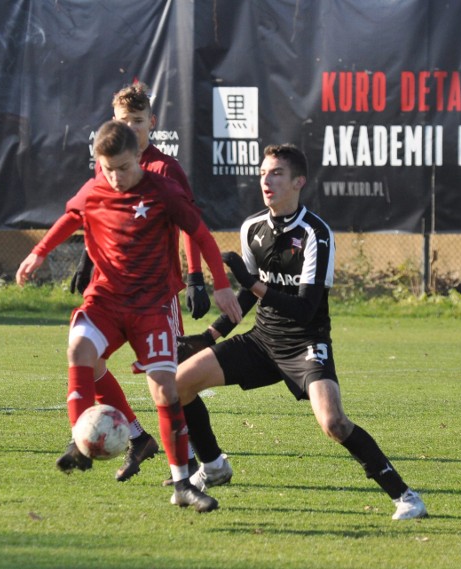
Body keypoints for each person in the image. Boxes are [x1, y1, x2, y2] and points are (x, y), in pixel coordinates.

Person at [175, 143, 428, 520]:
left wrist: (254, 284)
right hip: (262, 341)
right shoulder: (252, 228)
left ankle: (407, 497)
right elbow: (248, 297)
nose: (266, 180)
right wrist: (211, 335)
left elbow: (305, 307)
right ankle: (212, 465)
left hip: (305, 344)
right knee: (179, 384)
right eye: (263, 173)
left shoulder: (316, 234)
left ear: (299, 182)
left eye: (276, 173)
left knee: (334, 423)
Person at [16, 120, 242, 512]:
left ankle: (182, 485)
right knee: (80, 350)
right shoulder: (95, 189)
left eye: (122, 167)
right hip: (105, 300)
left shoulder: (163, 191)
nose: (115, 177)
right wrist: (39, 252)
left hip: (150, 307)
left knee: (166, 391)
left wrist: (220, 284)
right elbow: (71, 217)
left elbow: (201, 234)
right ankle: (79, 441)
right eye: (107, 168)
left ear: (139, 156)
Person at [66, 82, 208, 483]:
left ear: (153, 123)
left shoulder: (165, 169)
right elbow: (97, 216)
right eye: (123, 121)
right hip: (113, 292)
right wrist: (84, 258)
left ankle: (200, 460)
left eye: (138, 121)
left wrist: (195, 275)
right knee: (90, 360)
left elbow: (190, 226)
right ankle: (137, 436)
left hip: (156, 296)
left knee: (171, 380)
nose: (131, 128)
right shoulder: (108, 163)